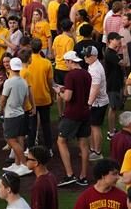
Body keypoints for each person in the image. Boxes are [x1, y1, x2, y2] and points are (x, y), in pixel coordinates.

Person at [57, 51, 92, 187]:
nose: (65, 64)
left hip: (72, 114)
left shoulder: (71, 75)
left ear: (70, 61)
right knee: (83, 145)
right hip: (85, 112)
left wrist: (59, 91)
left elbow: (68, 97)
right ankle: (83, 176)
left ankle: (69, 174)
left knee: (61, 141)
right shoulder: (87, 74)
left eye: (66, 62)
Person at [0, 57, 31, 176]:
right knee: (19, 138)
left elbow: (3, 99)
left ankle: (23, 164)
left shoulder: (9, 82)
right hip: (20, 113)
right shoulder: (23, 81)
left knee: (11, 140)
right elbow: (25, 99)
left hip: (11, 115)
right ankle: (18, 164)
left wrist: (0, 109)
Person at [83, 45, 110, 160]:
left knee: (95, 127)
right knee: (93, 126)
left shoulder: (95, 69)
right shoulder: (93, 65)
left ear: (94, 56)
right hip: (98, 102)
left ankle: (98, 152)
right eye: (85, 55)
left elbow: (95, 88)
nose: (85, 57)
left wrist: (89, 103)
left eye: (88, 56)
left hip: (98, 103)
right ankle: (94, 149)